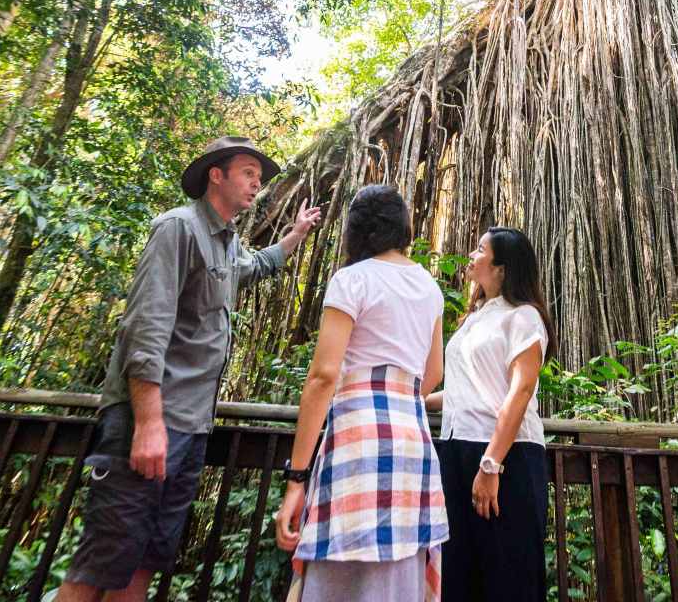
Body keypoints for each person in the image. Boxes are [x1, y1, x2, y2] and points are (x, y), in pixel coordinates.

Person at [58, 135, 322, 602]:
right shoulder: (176, 229)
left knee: (145, 561)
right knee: (100, 564)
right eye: (248, 172)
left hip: (192, 428)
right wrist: (148, 422)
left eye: (259, 177)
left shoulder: (228, 243)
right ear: (214, 175)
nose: (256, 184)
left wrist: (296, 236)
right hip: (154, 422)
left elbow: (256, 267)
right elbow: (145, 327)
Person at [274, 184, 448, 601]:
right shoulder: (429, 286)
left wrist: (297, 478)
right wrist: (396, 399)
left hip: (357, 438)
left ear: (357, 229)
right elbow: (435, 372)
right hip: (412, 443)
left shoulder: (351, 280)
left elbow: (323, 376)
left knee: (340, 577)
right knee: (398, 573)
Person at [426, 227, 555, 602]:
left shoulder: (524, 317)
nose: (471, 254)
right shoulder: (475, 317)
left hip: (504, 455)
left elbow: (520, 389)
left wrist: (491, 464)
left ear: (501, 268)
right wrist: (416, 400)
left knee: (508, 574)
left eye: (480, 250)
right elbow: (471, 390)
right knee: (459, 571)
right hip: (456, 448)